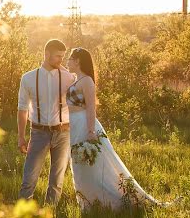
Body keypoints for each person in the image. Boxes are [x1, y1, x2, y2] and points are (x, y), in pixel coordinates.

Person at [65, 47, 166, 209]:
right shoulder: (76, 79)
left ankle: (108, 203)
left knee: (93, 165)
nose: (67, 62)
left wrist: (90, 131)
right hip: (75, 125)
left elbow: (91, 108)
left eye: (70, 59)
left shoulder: (87, 81)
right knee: (79, 166)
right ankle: (88, 203)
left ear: (77, 61)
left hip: (85, 124)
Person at [17, 39, 76, 206]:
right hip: (38, 133)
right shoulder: (28, 78)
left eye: (63, 57)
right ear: (47, 54)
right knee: (29, 179)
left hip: (63, 133)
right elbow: (22, 109)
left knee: (56, 182)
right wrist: (21, 137)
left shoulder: (69, 78)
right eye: (58, 56)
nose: (61, 60)